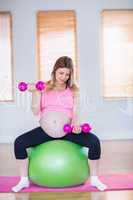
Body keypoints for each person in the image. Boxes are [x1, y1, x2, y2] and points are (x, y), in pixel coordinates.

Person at [12, 56, 107, 192]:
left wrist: (76, 125)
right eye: (61, 73)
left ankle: (95, 178)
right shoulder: (43, 88)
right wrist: (36, 93)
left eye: (67, 74)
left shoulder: (74, 91)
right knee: (19, 143)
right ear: (54, 71)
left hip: (67, 131)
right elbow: (35, 111)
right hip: (46, 131)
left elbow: (75, 113)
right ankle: (23, 180)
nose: (64, 77)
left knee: (94, 142)